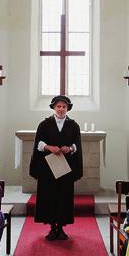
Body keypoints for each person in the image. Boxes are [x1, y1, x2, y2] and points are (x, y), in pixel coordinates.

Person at [29, 95, 83, 240]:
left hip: (65, 168)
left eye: (64, 107)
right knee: (49, 196)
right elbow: (38, 144)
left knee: (63, 197)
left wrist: (70, 148)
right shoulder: (44, 124)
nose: (61, 109)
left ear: (67, 109)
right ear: (53, 107)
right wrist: (49, 147)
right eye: (58, 106)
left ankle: (61, 228)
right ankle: (52, 228)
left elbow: (76, 145)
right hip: (48, 168)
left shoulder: (74, 125)